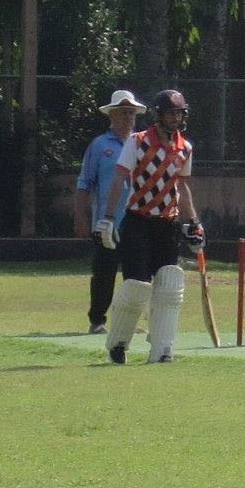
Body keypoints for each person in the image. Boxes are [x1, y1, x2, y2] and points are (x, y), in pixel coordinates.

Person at [95, 88, 203, 365]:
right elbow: (119, 180)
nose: (176, 118)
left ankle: (163, 347)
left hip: (167, 225)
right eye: (171, 113)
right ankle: (119, 343)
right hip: (138, 222)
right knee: (137, 286)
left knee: (168, 284)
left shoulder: (185, 148)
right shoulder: (138, 141)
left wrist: (193, 223)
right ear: (159, 115)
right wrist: (108, 218)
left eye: (179, 113)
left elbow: (182, 187)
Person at [73, 90, 142, 333]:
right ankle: (97, 321)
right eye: (122, 112)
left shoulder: (141, 144)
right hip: (107, 222)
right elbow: (84, 183)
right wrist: (81, 218)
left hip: (137, 221)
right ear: (111, 115)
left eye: (131, 113)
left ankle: (128, 322)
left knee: (136, 276)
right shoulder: (100, 145)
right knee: (104, 272)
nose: (128, 117)